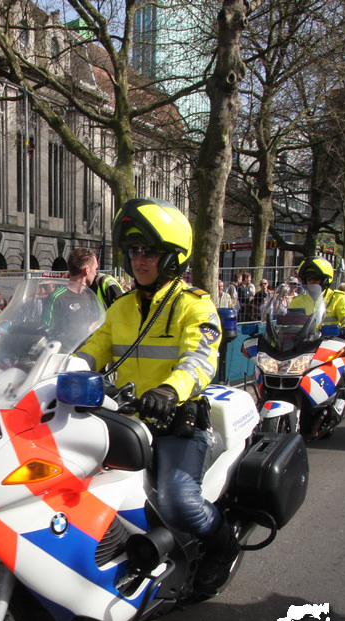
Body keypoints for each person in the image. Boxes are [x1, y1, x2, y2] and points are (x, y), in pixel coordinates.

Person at [77, 198, 233, 595]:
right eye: (134, 251)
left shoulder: (194, 306)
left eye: (149, 251)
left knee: (179, 502)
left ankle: (222, 547)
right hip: (126, 423)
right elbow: (92, 350)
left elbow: (200, 359)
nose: (140, 260)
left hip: (175, 423)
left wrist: (170, 389)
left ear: (172, 257)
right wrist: (54, 367)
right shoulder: (121, 308)